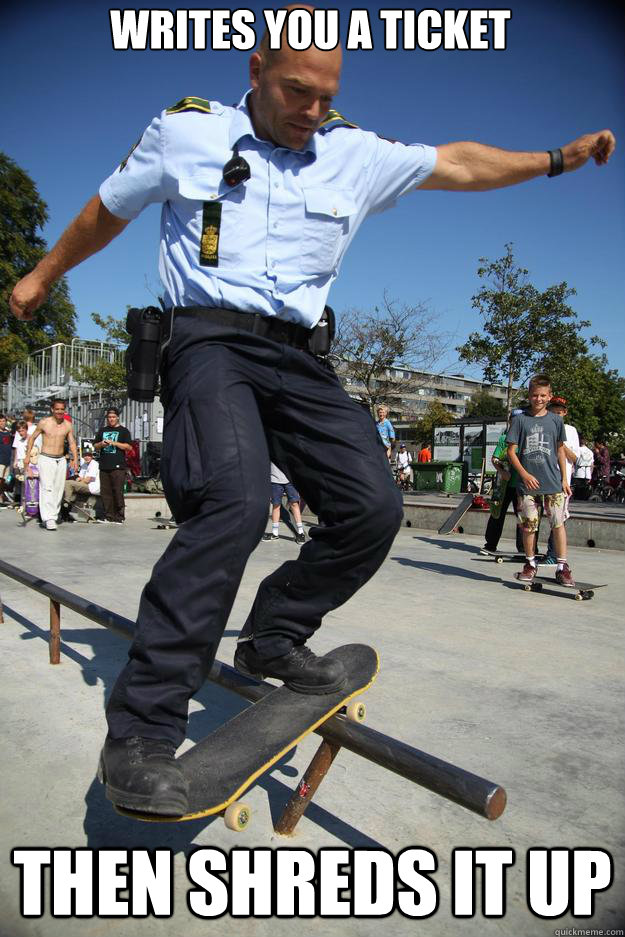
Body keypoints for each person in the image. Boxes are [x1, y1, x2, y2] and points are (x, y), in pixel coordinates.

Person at [9, 9, 614, 815]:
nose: (311, 110)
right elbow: (106, 210)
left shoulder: (352, 152)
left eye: (326, 96)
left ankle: (274, 635)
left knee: (372, 507)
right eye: (297, 90)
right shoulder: (186, 132)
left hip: (300, 355)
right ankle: (142, 731)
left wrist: (550, 160)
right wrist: (42, 275)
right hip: (208, 341)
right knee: (234, 503)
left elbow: (457, 164)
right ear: (257, 69)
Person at [507, 375, 574, 586]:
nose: (539, 399)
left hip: (553, 482)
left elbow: (560, 449)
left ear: (549, 396)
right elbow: (511, 452)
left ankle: (562, 567)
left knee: (558, 524)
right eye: (535, 395)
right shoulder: (520, 420)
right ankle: (530, 563)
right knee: (529, 526)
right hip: (527, 485)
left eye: (543, 395)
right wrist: (524, 475)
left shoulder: (556, 420)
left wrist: (564, 478)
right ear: (529, 395)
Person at [23, 399, 78, 531]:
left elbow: (71, 442)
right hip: (46, 458)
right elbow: (32, 438)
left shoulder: (68, 425)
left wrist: (75, 458)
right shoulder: (44, 422)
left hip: (61, 459)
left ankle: (53, 514)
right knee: (47, 488)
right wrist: (27, 456)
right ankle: (48, 518)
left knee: (58, 489)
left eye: (62, 409)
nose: (59, 411)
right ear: (52, 410)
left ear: (64, 410)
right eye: (57, 409)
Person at [482, 409, 525, 555]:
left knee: (523, 516)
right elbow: (494, 459)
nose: (516, 423)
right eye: (514, 420)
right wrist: (502, 471)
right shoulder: (504, 439)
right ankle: (490, 544)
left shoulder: (526, 438)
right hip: (504, 485)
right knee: (497, 513)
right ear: (510, 421)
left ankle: (524, 548)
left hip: (521, 485)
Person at [543, 396, 580, 564]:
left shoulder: (570, 430)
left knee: (559, 517)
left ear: (565, 413)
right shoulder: (544, 427)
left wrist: (561, 443)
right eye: (553, 412)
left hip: (561, 480)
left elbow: (574, 458)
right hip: (544, 476)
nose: (556, 415)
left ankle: (554, 554)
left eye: (560, 412)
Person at [93, 409, 132, 524]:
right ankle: (108, 516)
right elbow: (95, 445)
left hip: (118, 466)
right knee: (106, 492)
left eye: (113, 417)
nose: (111, 419)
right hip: (104, 465)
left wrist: (114, 443)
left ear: (117, 417)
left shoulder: (124, 431)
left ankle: (119, 517)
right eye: (109, 417)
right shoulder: (102, 430)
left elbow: (129, 447)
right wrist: (101, 444)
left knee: (117, 491)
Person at [263, 462, 306, 543]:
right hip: (274, 480)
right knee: (276, 506)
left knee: (294, 504)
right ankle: (275, 534)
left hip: (290, 480)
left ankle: (301, 533)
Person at [63, 450, 101, 516]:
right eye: (85, 456)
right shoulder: (84, 464)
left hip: (92, 487)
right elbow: (80, 477)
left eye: (88, 455)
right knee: (67, 483)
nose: (86, 457)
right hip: (86, 485)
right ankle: (66, 505)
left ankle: (66, 503)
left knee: (68, 483)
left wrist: (78, 481)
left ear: (92, 456)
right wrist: (79, 480)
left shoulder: (94, 464)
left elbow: (88, 480)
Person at [0, 414, 13, 507]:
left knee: (5, 480)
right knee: (0, 480)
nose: (2, 423)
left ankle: (1, 496)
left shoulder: (8, 433)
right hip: (0, 461)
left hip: (7, 460)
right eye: (0, 421)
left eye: (3, 421)